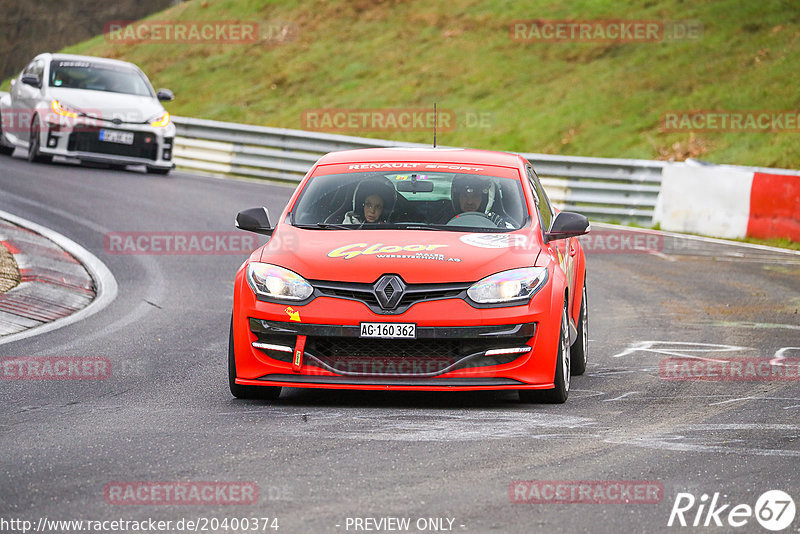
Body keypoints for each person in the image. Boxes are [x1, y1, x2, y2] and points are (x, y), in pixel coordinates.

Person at [447, 175, 515, 228]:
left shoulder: (499, 224)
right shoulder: (442, 220)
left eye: (475, 196)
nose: (469, 201)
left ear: (485, 199)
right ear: (457, 198)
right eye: (464, 196)